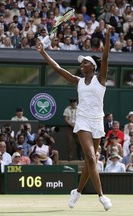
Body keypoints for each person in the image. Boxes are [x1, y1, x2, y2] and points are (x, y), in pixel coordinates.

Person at [36, 24, 113, 211]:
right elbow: (58, 69)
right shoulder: (78, 82)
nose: (82, 65)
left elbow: (105, 56)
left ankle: (77, 192)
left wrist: (108, 35)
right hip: (83, 121)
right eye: (81, 63)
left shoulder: (100, 78)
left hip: (97, 121)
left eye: (85, 62)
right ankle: (101, 196)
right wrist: (43, 53)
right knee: (91, 158)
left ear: (92, 67)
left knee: (90, 161)